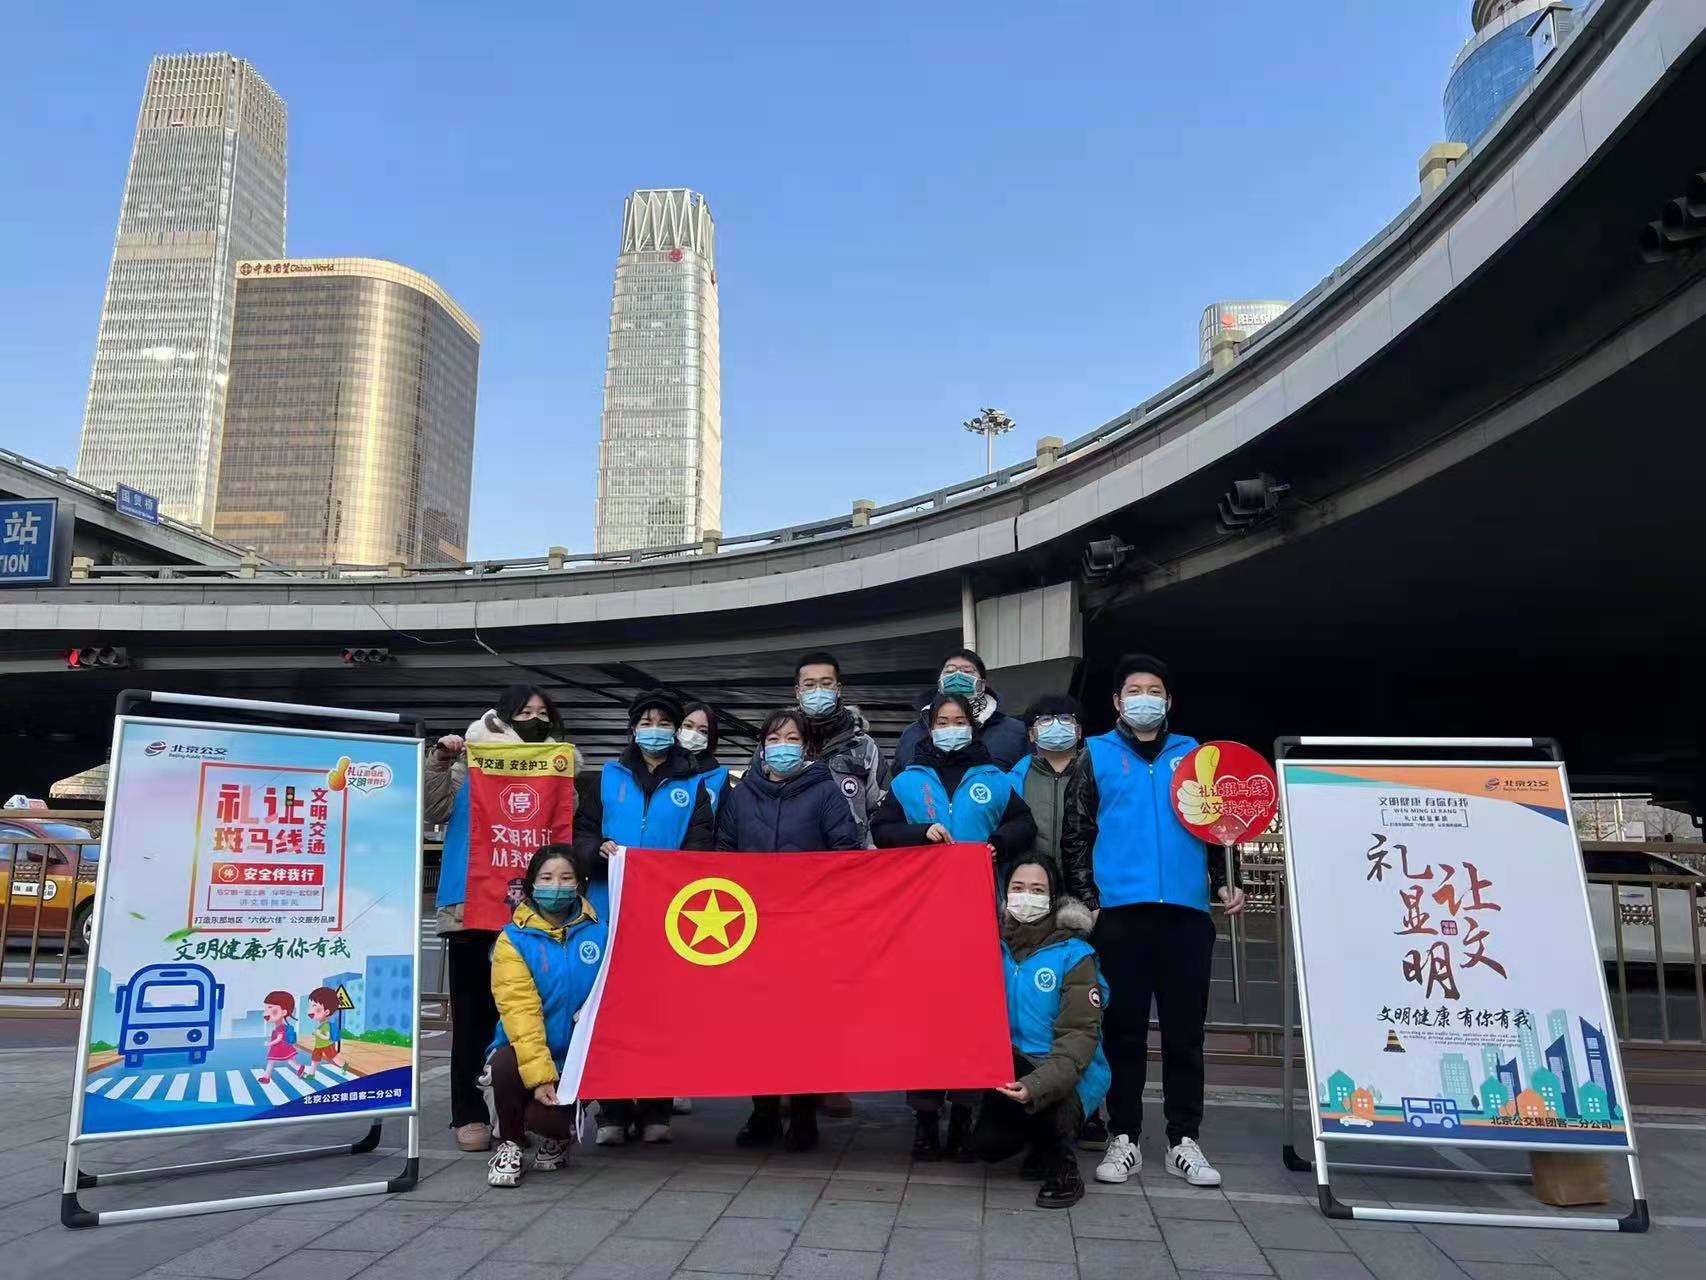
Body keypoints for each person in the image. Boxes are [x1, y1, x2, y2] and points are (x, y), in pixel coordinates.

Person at [1060, 654, 1246, 1189]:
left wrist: (1224, 881)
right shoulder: (1094, 754)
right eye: (1134, 690)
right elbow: (1076, 833)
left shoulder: (1195, 755)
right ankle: (1125, 1136)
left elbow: (1218, 827)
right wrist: (1090, 901)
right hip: (1120, 915)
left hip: (1186, 914)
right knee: (1124, 1031)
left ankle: (1184, 1139)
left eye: (1155, 690)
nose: (1145, 698)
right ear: (1117, 702)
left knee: (1186, 1034)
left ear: (1169, 701)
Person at [871, 691, 1037, 1159]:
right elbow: (881, 830)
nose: (950, 728)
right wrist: (918, 834)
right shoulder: (908, 781)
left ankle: (964, 1115)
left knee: (971, 1016)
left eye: (958, 720)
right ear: (930, 729)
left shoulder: (994, 779)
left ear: (972, 726)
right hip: (921, 919)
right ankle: (925, 1119)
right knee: (924, 1018)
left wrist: (998, 843)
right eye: (942, 721)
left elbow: (1024, 824)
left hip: (977, 918)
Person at [425, 684, 570, 1154]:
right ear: (505, 717)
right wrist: (441, 760)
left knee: (532, 1015)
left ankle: (521, 1109)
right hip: (471, 907)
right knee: (472, 1016)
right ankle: (468, 1113)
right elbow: (434, 808)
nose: (535, 720)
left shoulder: (556, 765)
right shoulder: (473, 757)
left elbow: (564, 825)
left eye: (542, 713)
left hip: (535, 914)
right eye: (525, 712)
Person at [715, 708, 863, 1151]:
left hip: (808, 929)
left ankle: (802, 1114)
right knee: (756, 1025)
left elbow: (846, 852)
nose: (783, 746)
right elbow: (722, 854)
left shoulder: (826, 792)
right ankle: (762, 1111)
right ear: (762, 747)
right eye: (774, 738)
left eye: (792, 738)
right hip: (752, 929)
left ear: (807, 746)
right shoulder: (741, 795)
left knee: (804, 1025)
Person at [572, 689, 715, 1144]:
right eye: (647, 722)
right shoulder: (605, 779)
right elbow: (581, 834)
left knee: (660, 1011)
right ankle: (612, 1111)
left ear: (675, 731)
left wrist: (671, 871)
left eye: (664, 723)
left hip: (665, 915)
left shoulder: (694, 786)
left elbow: (701, 846)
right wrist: (596, 852)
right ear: (633, 729)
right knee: (608, 1008)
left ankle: (656, 1108)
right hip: (607, 910)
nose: (655, 730)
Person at [969, 857, 1108, 1209]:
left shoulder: (1074, 955)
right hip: (1009, 1066)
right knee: (987, 1146)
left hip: (1067, 1068)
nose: (1026, 897)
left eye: (1037, 890)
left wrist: (1037, 1084)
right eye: (1017, 888)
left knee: (1048, 1108)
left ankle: (1064, 1169)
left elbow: (1079, 1036)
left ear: (1053, 897)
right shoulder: (991, 945)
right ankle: (1037, 1143)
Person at [1008, 693, 1110, 1150]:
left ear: (1080, 729)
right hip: (1031, 899)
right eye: (1044, 719)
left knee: (1086, 1007)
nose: (1055, 726)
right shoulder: (1013, 777)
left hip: (1086, 902)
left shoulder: (1096, 770)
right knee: (1034, 1004)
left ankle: (1088, 1106)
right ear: (1031, 732)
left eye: (1064, 719)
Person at [485, 844, 607, 1188]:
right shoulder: (512, 940)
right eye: (547, 878)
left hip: (577, 1057)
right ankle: (509, 1143)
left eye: (566, 878)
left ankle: (558, 1137)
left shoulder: (602, 932)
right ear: (532, 884)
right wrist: (541, 1078)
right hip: (527, 1050)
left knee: (548, 1122)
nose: (557, 886)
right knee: (504, 1064)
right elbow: (520, 1011)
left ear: (579, 884)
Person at [793, 651, 884, 845]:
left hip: (850, 855)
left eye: (826, 683)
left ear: (838, 689)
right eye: (809, 685)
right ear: (798, 692)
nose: (818, 691)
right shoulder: (778, 743)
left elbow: (882, 809)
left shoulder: (864, 745)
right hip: (794, 855)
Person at [890, 649, 1029, 775]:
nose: (957, 677)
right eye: (950, 672)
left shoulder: (1014, 731)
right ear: (940, 682)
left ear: (982, 684)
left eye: (967, 672)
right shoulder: (912, 733)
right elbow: (896, 781)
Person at [679, 701, 732, 814]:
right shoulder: (654, 765)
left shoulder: (718, 777)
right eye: (688, 726)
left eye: (703, 731)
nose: (693, 734)